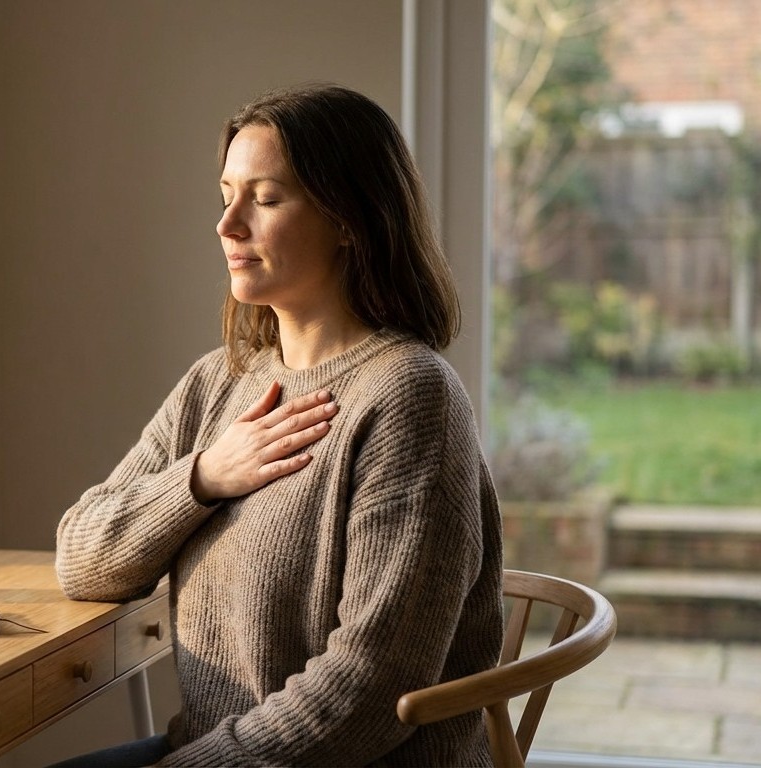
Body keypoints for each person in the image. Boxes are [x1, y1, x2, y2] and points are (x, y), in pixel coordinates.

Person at [52, 82, 505, 767]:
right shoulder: (220, 381)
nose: (227, 225)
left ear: (349, 218)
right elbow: (81, 560)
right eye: (225, 196)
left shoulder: (409, 396)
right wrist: (204, 477)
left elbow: (367, 691)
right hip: (208, 751)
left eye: (264, 200)